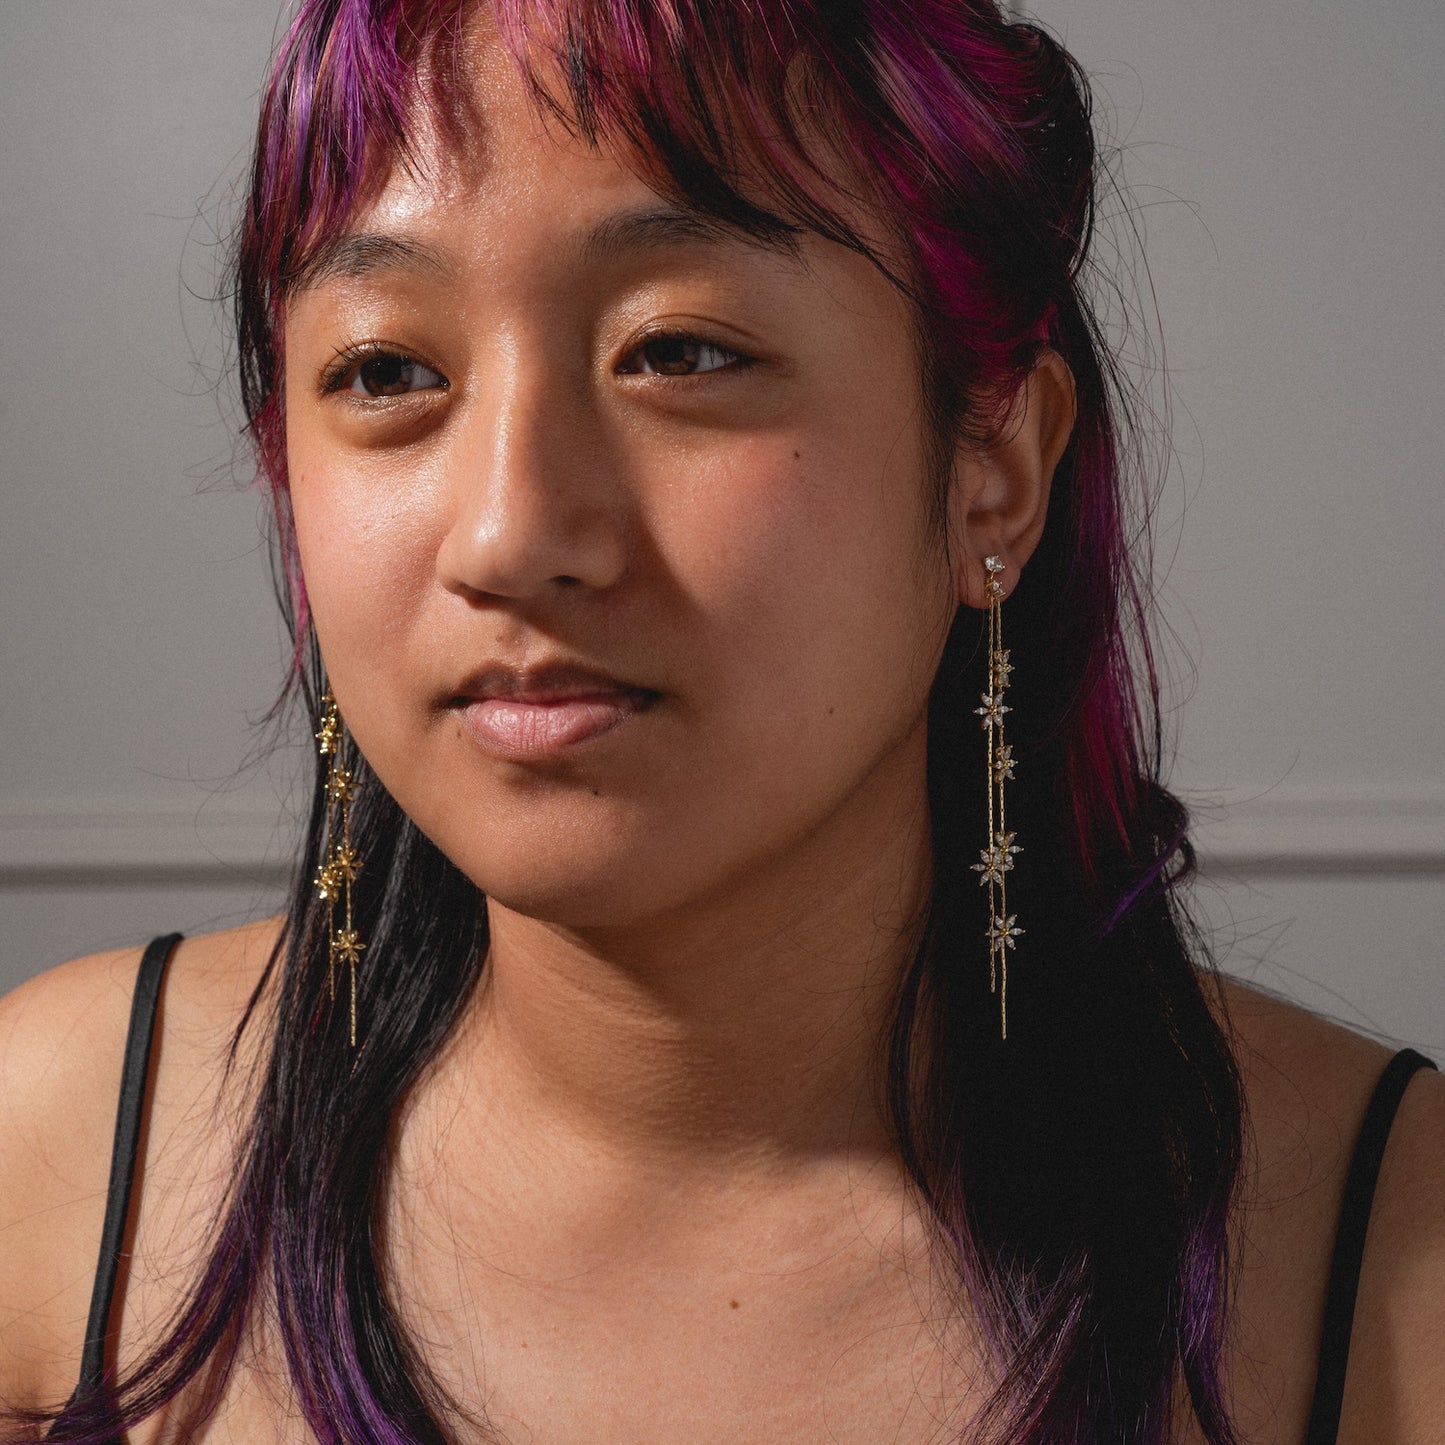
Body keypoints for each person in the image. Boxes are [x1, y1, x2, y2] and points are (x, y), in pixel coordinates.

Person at [1, 0, 1441, 1440]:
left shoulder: (1391, 1266)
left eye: (677, 352)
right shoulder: (53, 1165)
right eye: (388, 372)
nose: (509, 535)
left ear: (994, 467)